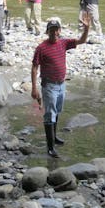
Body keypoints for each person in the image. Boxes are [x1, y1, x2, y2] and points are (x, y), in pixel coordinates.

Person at [31, 14, 90, 157]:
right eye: (52, 30)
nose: (55, 32)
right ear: (47, 32)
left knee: (57, 111)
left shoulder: (63, 43)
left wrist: (87, 28)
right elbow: (34, 67)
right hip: (49, 86)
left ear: (60, 30)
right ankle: (50, 148)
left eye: (56, 29)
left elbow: (81, 41)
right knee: (49, 115)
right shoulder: (41, 48)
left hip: (61, 84)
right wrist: (34, 87)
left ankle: (55, 137)